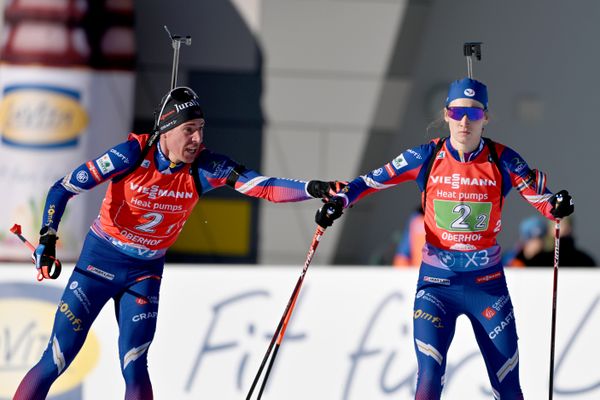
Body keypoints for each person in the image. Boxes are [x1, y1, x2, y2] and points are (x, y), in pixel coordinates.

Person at [13, 86, 342, 400]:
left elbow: (264, 186)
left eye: (201, 128)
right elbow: (63, 188)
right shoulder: (132, 153)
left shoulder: (206, 166)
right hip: (99, 264)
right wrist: (48, 238)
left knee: (135, 364)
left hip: (144, 273)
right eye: (189, 129)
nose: (197, 138)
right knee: (58, 357)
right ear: (166, 130)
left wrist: (314, 188)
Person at [315, 77, 574, 399]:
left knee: (508, 387)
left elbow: (543, 201)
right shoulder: (427, 155)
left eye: (475, 114)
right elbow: (369, 181)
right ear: (446, 114)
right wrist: (339, 202)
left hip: (487, 287)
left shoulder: (503, 159)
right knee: (428, 379)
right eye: (457, 112)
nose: (465, 121)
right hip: (437, 286)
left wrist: (557, 204)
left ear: (486, 118)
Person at [526, 216, 596, 267]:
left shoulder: (584, 260)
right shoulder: (585, 259)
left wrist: (529, 258)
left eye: (564, 225)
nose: (564, 229)